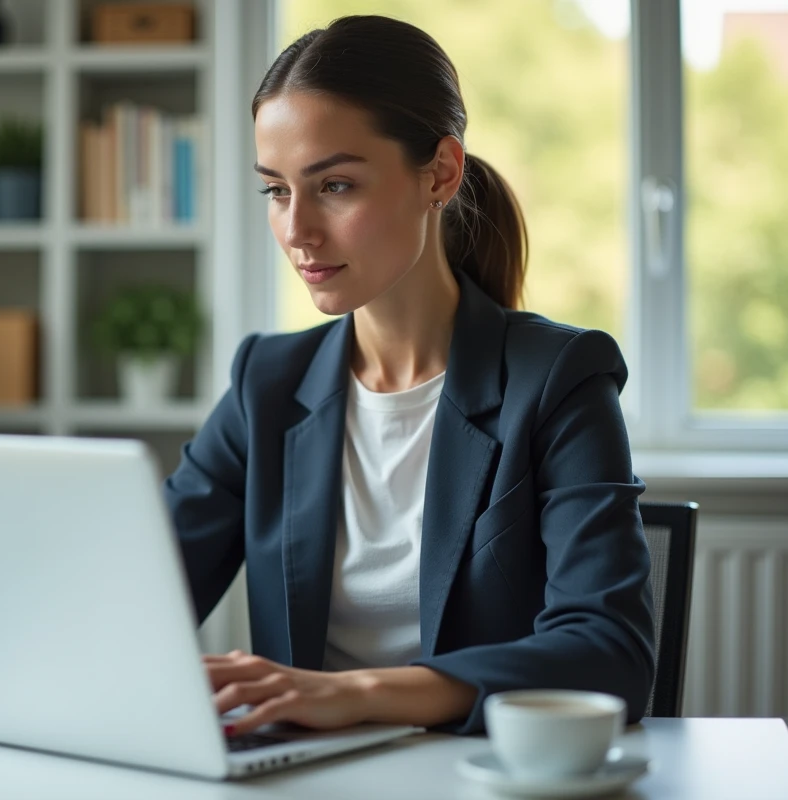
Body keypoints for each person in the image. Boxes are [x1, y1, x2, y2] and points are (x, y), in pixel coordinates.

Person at [163, 14, 655, 737]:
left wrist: (358, 693)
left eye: (333, 185)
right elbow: (138, 603)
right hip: (302, 783)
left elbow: (610, 651)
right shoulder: (265, 384)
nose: (297, 229)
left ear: (441, 174)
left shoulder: (556, 379)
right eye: (276, 190)